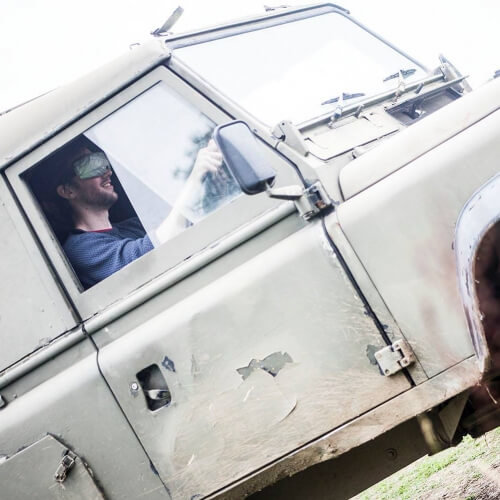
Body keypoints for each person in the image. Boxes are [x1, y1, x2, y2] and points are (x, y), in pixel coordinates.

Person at [55, 139, 223, 289]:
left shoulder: (133, 226)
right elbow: (150, 257)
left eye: (102, 161)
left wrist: (212, 182)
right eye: (90, 165)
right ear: (67, 190)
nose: (107, 172)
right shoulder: (80, 249)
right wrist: (195, 178)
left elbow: (186, 224)